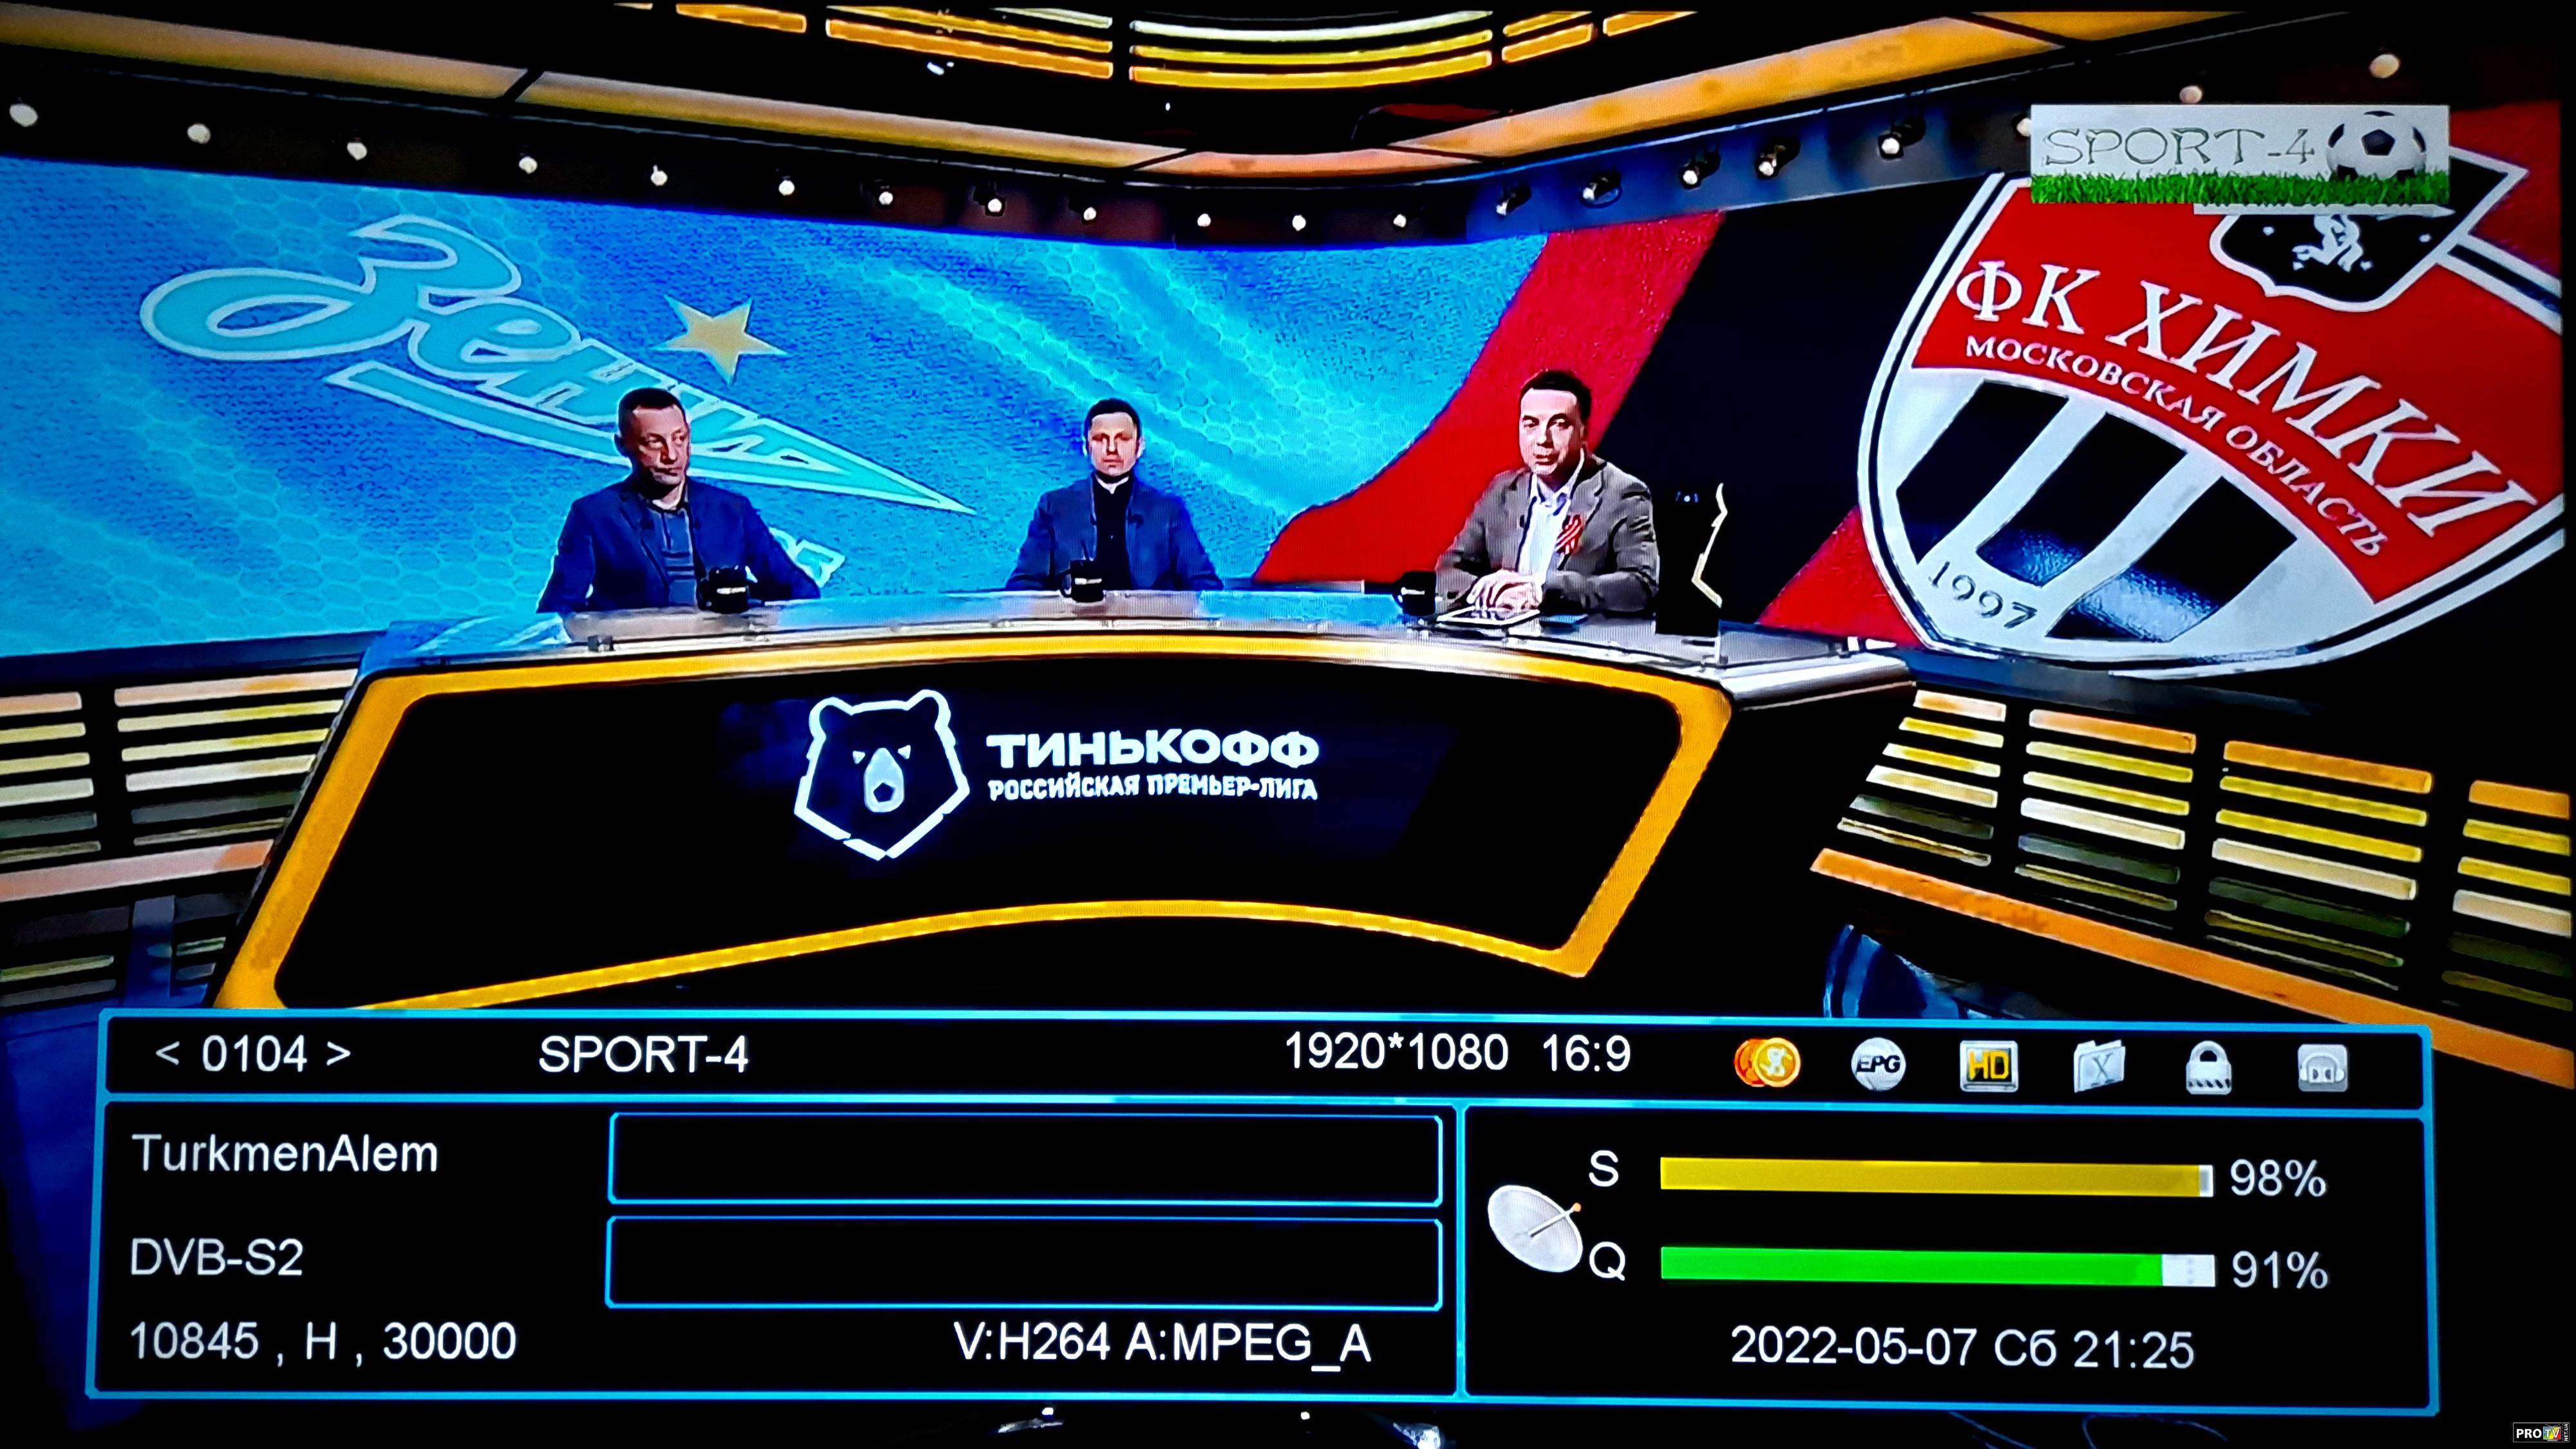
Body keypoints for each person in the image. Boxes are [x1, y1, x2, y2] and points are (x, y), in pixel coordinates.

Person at [538, 386, 821, 612]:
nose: (672, 455)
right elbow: (559, 609)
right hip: (638, 659)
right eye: (654, 443)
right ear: (623, 446)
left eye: (679, 439)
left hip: (722, 655)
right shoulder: (594, 515)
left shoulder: (732, 510)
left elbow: (800, 590)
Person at [1435, 370, 1658, 616]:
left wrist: (1541, 589)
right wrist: (1487, 590)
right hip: (1499, 634)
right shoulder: (1503, 491)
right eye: (1531, 424)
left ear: (1583, 431)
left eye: (1559, 425)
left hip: (1571, 636)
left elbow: (1640, 586)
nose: (1543, 439)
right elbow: (1447, 572)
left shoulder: (1623, 494)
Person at [1005, 398, 1224, 592]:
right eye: (1101, 439)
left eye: (1123, 438)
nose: (1111, 449)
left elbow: (1204, 584)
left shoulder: (1167, 511)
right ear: (1086, 447)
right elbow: (1024, 585)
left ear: (1140, 447)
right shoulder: (1055, 507)